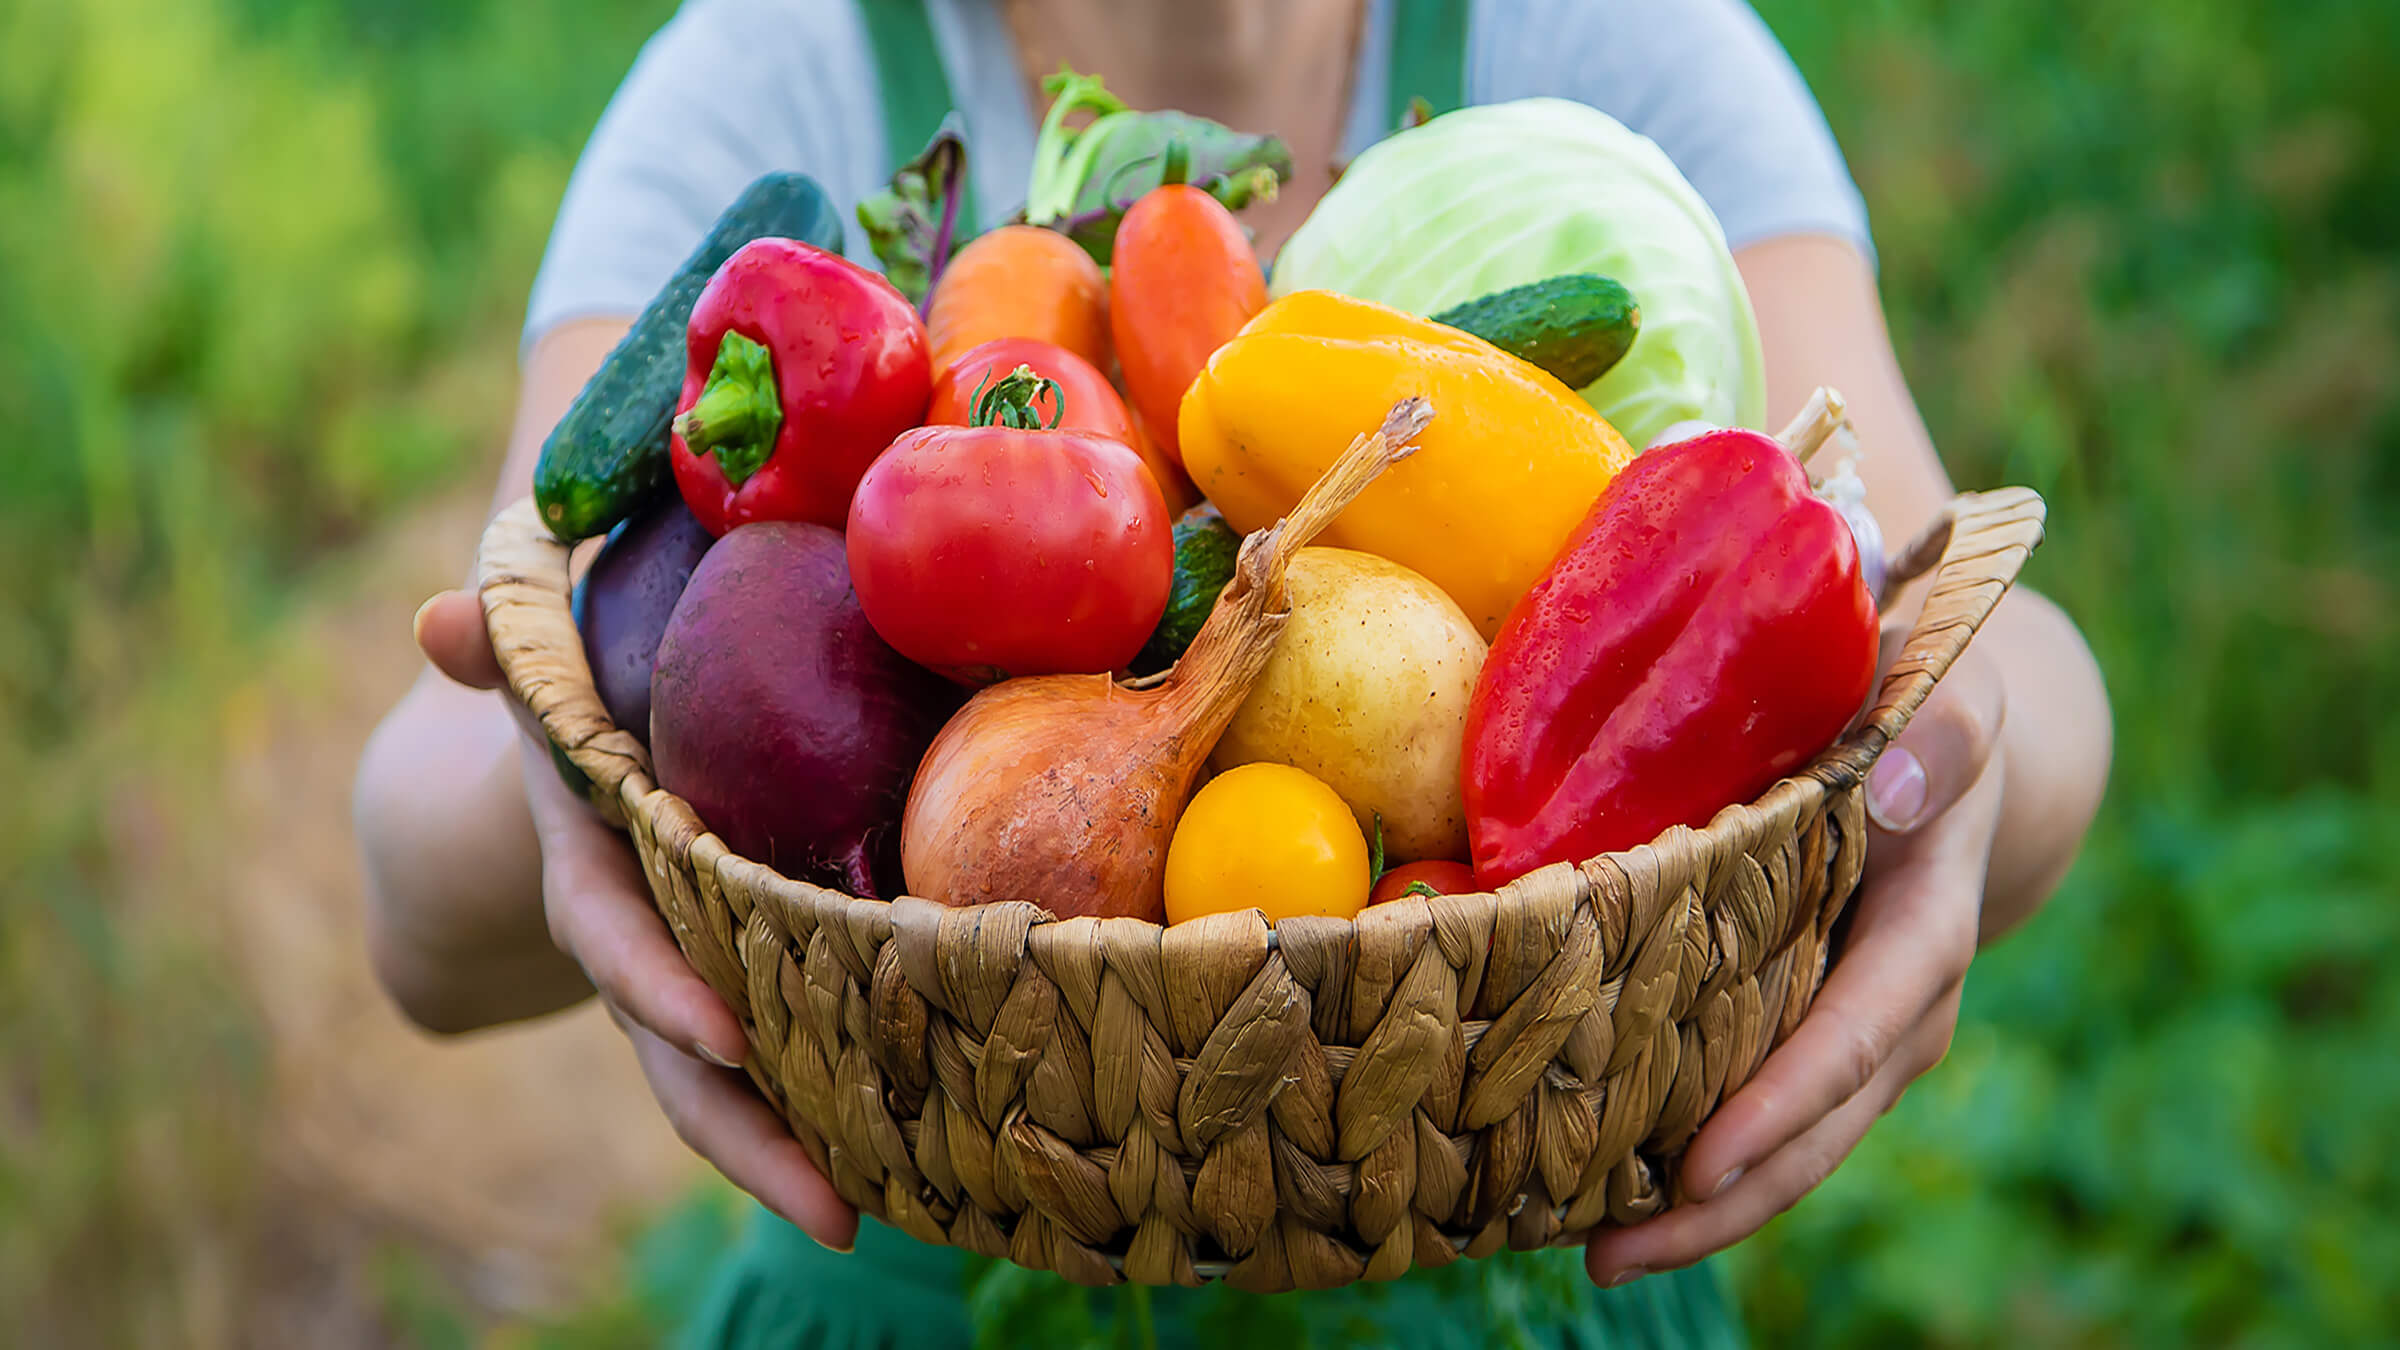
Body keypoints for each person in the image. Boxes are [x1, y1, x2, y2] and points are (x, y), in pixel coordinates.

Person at [356, 0, 2114, 1344]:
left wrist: (1967, 765)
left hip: (1536, 1288)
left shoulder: (1614, 38)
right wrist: (571, 743)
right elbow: (422, 889)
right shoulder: (774, 74)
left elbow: (1956, 602)